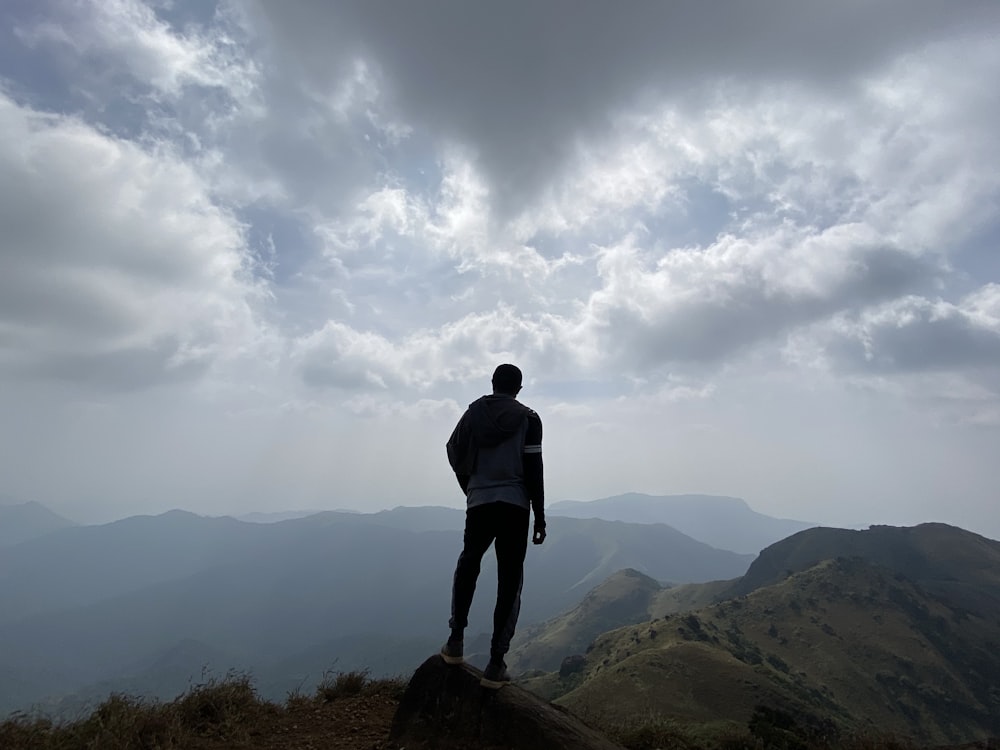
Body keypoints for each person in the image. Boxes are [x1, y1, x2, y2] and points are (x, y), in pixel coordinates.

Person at [440, 363, 545, 688]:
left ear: (493, 383)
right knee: (510, 579)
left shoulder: (473, 414)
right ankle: (496, 662)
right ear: (519, 388)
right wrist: (539, 514)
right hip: (515, 505)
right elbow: (533, 468)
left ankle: (455, 639)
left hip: (480, 503)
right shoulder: (529, 418)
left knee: (469, 562)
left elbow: (453, 451)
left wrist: (471, 488)